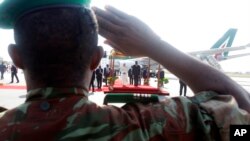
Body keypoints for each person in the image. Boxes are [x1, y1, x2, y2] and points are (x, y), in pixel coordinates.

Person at [0, 1, 249, 141]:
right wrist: (155, 45)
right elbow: (242, 117)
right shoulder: (148, 126)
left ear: (16, 57)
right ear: (96, 59)